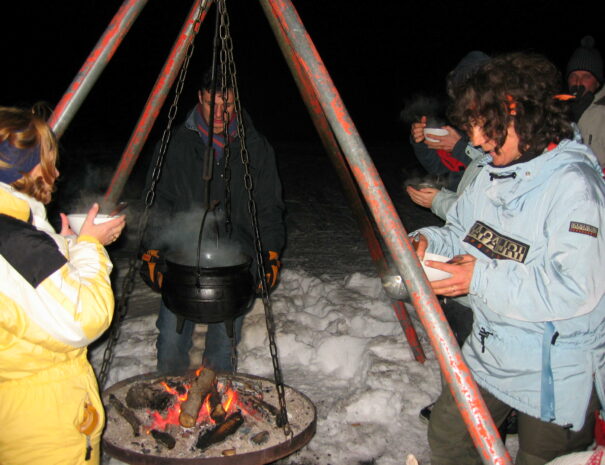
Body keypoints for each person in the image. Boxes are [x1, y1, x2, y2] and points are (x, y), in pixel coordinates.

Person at [412, 52, 605, 465]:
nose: (477, 142)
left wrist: (479, 279)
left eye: (486, 128)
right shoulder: (488, 171)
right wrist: (425, 242)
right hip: (492, 346)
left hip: (553, 365)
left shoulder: (575, 186)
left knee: (541, 459)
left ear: (520, 114)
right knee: (449, 435)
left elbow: (575, 289)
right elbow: (458, 234)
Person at [0, 106, 126, 465]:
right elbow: (85, 317)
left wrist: (65, 246)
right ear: (29, 167)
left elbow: (30, 286)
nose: (55, 172)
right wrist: (90, 247)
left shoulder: (15, 226)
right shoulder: (14, 241)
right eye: (48, 159)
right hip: (39, 429)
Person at [141, 68, 286, 375]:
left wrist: (270, 254)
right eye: (212, 104)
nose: (221, 113)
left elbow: (268, 207)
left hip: (234, 267)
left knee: (221, 349)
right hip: (181, 262)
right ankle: (171, 396)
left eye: (228, 106)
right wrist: (151, 249)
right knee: (170, 341)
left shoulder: (255, 148)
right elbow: (158, 201)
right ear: (199, 98)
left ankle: (217, 403)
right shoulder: (175, 145)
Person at [406, 50, 490, 196]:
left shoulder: (513, 126)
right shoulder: (467, 125)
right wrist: (421, 142)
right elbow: (440, 169)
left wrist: (458, 147)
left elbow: (497, 174)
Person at [566, 35, 605, 170]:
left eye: (586, 77)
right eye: (573, 76)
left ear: (598, 82)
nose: (578, 82)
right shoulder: (557, 110)